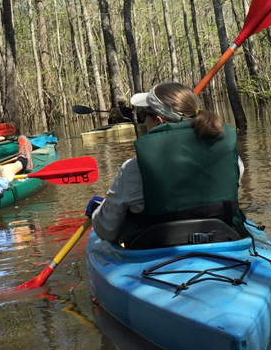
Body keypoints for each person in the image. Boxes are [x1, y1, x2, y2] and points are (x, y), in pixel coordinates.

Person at [87, 82, 245, 245]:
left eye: (143, 115)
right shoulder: (233, 160)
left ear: (159, 121)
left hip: (155, 255)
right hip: (223, 244)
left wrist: (97, 213)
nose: (142, 121)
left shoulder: (133, 170)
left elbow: (106, 231)